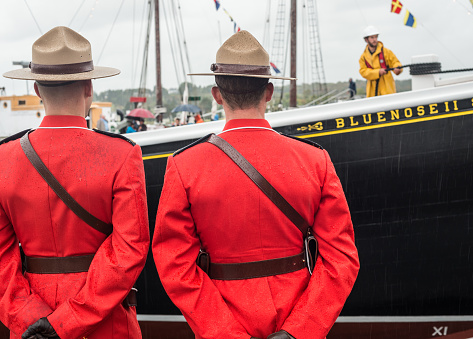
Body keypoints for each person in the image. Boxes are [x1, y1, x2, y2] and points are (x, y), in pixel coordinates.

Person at [152, 30, 359, 339]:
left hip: (222, 315)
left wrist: (224, 332)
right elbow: (341, 259)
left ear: (217, 95)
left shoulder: (184, 165)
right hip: (297, 315)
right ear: (270, 92)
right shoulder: (315, 160)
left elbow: (175, 265)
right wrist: (300, 330)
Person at [0, 26, 150, 338]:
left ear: (37, 90)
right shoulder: (122, 153)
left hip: (33, 327)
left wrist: (32, 316)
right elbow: (129, 250)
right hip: (104, 321)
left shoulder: (4, 158)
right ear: (90, 86)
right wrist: (68, 320)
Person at [359, 25, 402, 97]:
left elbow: (395, 62)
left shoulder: (386, 52)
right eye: (372, 37)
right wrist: (378, 72)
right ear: (366, 40)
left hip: (387, 90)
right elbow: (363, 72)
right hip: (372, 92)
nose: (374, 39)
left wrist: (398, 68)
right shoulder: (363, 57)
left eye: (376, 37)